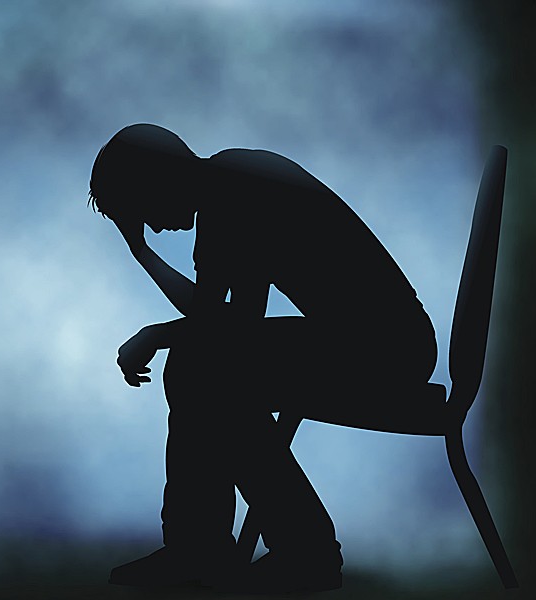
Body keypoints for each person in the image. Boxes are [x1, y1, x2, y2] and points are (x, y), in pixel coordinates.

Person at [89, 124, 437, 592]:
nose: (151, 225)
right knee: (200, 364)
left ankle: (298, 551)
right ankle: (205, 550)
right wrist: (141, 253)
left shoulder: (233, 193)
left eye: (141, 210)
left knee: (204, 371)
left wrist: (155, 335)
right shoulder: (227, 182)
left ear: (155, 179)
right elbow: (216, 316)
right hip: (377, 341)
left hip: (387, 351)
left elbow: (233, 326)